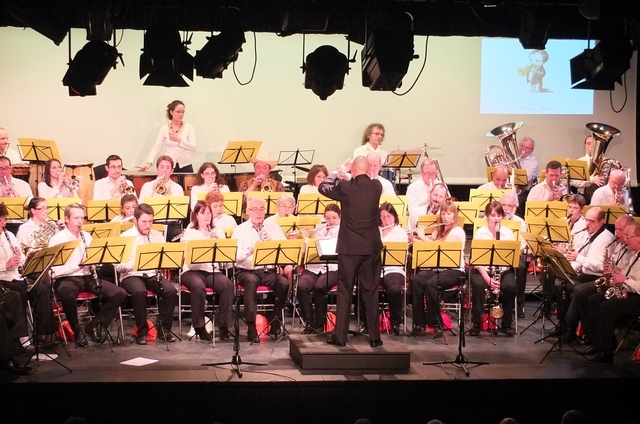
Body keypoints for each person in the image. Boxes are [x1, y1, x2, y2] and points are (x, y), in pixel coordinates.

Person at [319, 156, 383, 347]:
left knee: (345, 291)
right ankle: (375, 337)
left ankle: (340, 337)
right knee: (371, 292)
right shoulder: (377, 186)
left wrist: (337, 173)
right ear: (368, 169)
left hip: (349, 248)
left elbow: (323, 187)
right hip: (371, 248)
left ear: (353, 170)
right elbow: (364, 182)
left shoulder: (345, 188)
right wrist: (349, 175)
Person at [48, 204, 126, 347]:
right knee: (67, 295)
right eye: (76, 218)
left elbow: (93, 258)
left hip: (87, 277)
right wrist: (78, 265)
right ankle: (77, 331)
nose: (80, 221)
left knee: (119, 293)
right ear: (67, 219)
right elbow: (54, 271)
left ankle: (94, 325)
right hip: (66, 278)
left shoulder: (87, 236)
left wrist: (96, 260)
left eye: (82, 218)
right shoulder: (57, 240)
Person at [115, 203, 178, 345]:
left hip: (152, 274)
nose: (148, 226)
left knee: (171, 291)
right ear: (135, 220)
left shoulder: (157, 235)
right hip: (131, 274)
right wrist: (137, 263)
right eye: (144, 222)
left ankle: (164, 330)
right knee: (139, 292)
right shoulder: (125, 237)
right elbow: (118, 267)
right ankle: (141, 331)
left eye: (150, 221)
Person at [549, 207, 615, 342]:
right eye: (587, 220)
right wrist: (569, 268)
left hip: (598, 277)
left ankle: (570, 327)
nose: (588, 224)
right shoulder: (589, 234)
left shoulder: (607, 239)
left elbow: (600, 266)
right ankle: (563, 324)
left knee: (579, 291)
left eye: (592, 221)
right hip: (585, 274)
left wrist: (578, 258)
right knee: (560, 283)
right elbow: (581, 257)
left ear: (601, 221)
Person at [232, 196, 289, 341]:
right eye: (255, 209)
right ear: (248, 211)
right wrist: (252, 249)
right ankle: (251, 328)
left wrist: (272, 243)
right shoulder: (239, 230)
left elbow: (285, 250)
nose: (259, 213)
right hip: (247, 271)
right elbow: (236, 257)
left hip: (268, 270)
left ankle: (275, 322)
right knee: (250, 282)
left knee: (283, 283)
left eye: (262, 209)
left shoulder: (273, 227)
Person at [583, 221, 640, 363]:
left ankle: (605, 352)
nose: (625, 239)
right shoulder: (635, 254)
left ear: (639, 238)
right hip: (629, 292)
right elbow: (630, 276)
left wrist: (625, 280)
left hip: (637, 298)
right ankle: (596, 342)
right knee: (595, 300)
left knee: (607, 307)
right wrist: (620, 277)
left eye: (629, 236)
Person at [410, 200, 466, 337]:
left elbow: (441, 247)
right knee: (416, 280)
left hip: (455, 270)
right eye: (443, 214)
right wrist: (413, 239)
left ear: (454, 216)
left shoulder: (457, 232)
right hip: (438, 269)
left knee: (431, 284)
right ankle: (419, 323)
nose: (445, 217)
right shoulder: (438, 231)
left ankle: (436, 323)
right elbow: (428, 245)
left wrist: (422, 236)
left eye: (449, 214)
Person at [180, 201, 233, 341]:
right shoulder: (190, 231)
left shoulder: (218, 231)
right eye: (203, 213)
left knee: (227, 285)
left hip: (211, 270)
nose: (206, 216)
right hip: (192, 270)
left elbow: (226, 255)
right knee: (198, 286)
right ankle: (199, 327)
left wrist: (219, 241)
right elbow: (186, 256)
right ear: (196, 215)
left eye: (208, 213)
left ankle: (224, 326)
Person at [469, 201, 517, 337]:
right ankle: (476, 323)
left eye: (499, 215)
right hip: (483, 271)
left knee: (510, 286)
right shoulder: (480, 233)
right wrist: (487, 278)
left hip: (503, 271)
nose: (496, 219)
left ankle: (507, 323)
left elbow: (511, 259)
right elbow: (477, 260)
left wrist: (499, 277)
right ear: (487, 216)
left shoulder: (508, 233)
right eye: (493, 215)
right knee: (478, 285)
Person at [297, 204, 340, 334]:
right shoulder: (319, 229)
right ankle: (309, 322)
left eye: (334, 218)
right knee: (302, 286)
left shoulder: (342, 231)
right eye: (328, 218)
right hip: (314, 267)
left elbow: (327, 247)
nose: (331, 221)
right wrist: (301, 241)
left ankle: (320, 323)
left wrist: (307, 239)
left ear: (340, 217)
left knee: (319, 287)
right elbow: (307, 251)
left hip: (333, 267)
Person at [139, 100, 196, 173]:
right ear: (171, 112)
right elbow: (157, 147)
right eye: (178, 112)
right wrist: (149, 163)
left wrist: (179, 140)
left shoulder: (189, 127)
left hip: (186, 166)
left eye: (183, 112)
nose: (181, 114)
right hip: (169, 166)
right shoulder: (164, 129)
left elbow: (193, 147)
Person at [378, 202, 408, 335]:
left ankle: (396, 322)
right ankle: (368, 322)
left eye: (389, 217)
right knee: (365, 285)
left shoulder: (400, 233)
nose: (386, 220)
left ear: (394, 217)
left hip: (394, 269)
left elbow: (400, 257)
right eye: (383, 217)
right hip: (376, 269)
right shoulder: (376, 231)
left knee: (394, 289)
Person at [406, 159, 442, 226]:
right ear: (421, 172)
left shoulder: (440, 185)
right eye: (427, 173)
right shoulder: (413, 188)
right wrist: (428, 199)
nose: (430, 176)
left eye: (433, 173)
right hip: (419, 224)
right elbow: (412, 212)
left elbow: (448, 205)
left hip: (439, 223)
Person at [570, 135, 605, 203]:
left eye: (594, 144)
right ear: (585, 146)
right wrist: (592, 180)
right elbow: (574, 182)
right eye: (588, 143)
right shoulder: (579, 161)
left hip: (601, 196)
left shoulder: (605, 162)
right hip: (583, 197)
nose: (591, 146)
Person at [517, 136, 539, 216]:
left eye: (527, 148)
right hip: (509, 189)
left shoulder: (533, 163)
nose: (523, 149)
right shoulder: (513, 157)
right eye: (522, 146)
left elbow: (525, 179)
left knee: (517, 202)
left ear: (532, 150)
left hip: (523, 191)